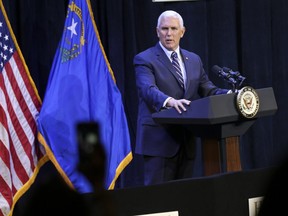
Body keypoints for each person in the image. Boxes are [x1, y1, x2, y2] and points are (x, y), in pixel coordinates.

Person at [133, 10, 229, 186]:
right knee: (159, 201)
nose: (169, 34)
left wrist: (231, 95)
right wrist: (170, 101)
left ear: (182, 32)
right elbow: (147, 89)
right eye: (164, 29)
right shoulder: (144, 59)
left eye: (173, 29)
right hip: (159, 141)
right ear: (157, 31)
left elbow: (208, 89)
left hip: (186, 140)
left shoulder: (193, 59)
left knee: (183, 198)